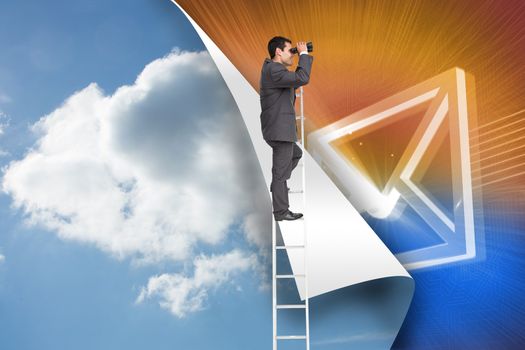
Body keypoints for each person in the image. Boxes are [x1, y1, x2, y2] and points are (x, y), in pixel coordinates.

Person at [259, 36, 314, 221]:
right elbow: (302, 78)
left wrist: (300, 56)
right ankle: (281, 212)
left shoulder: (275, 71)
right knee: (280, 173)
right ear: (278, 51)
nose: (293, 54)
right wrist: (304, 53)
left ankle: (278, 186)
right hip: (279, 130)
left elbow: (296, 80)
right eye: (290, 50)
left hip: (279, 129)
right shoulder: (274, 69)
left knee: (295, 154)